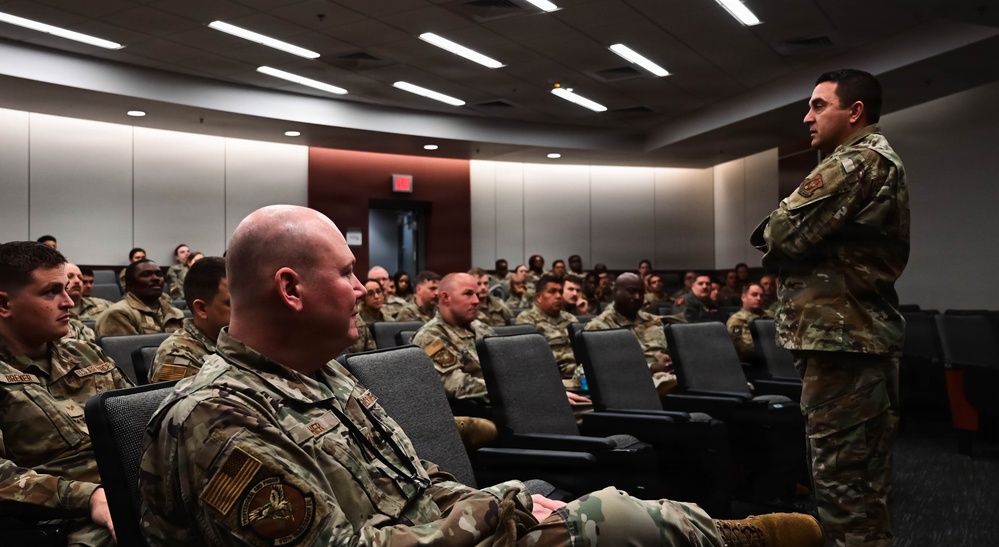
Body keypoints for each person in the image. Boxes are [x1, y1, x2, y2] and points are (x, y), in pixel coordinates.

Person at [138, 206, 822, 547]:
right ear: (290, 289)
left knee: (608, 512)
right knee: (601, 519)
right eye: (346, 273)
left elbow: (419, 485)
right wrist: (497, 512)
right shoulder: (218, 418)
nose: (359, 290)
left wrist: (508, 505)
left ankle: (718, 533)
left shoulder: (323, 376)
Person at [752, 69, 908, 547]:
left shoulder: (855, 162)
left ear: (854, 111)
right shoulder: (877, 161)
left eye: (820, 105)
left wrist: (776, 231)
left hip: (846, 349)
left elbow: (776, 235)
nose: (808, 117)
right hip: (856, 344)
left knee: (844, 498)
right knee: (864, 496)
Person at [0, 241, 132, 547]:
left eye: (66, 288)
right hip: (56, 517)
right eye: (51, 292)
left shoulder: (84, 352)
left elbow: (137, 418)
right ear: (4, 305)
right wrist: (89, 498)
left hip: (131, 487)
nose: (69, 301)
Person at [585, 273, 676, 395]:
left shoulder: (654, 321)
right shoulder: (598, 327)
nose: (638, 297)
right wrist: (650, 369)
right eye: (631, 291)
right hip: (630, 391)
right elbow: (598, 371)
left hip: (669, 382)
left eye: (641, 292)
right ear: (615, 292)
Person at [148, 257, 230, 383]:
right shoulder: (176, 355)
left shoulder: (241, 340)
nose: (246, 310)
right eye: (232, 303)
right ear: (202, 309)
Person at [95, 258, 184, 337]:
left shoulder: (175, 313)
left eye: (159, 274)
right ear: (130, 285)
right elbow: (123, 353)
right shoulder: (118, 314)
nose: (156, 278)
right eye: (146, 274)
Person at [515, 275, 578, 379]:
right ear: (538, 297)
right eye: (552, 291)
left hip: (577, 371)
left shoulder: (571, 319)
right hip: (549, 375)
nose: (558, 296)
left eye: (560, 292)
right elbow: (531, 357)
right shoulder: (526, 319)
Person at [726, 282, 770, 361]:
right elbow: (739, 347)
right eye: (754, 295)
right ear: (743, 297)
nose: (758, 298)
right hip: (753, 361)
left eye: (761, 296)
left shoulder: (771, 316)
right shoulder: (737, 320)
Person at [62, 263, 96, 344]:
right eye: (70, 276)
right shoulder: (54, 313)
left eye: (80, 278)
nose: (77, 281)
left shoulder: (102, 304)